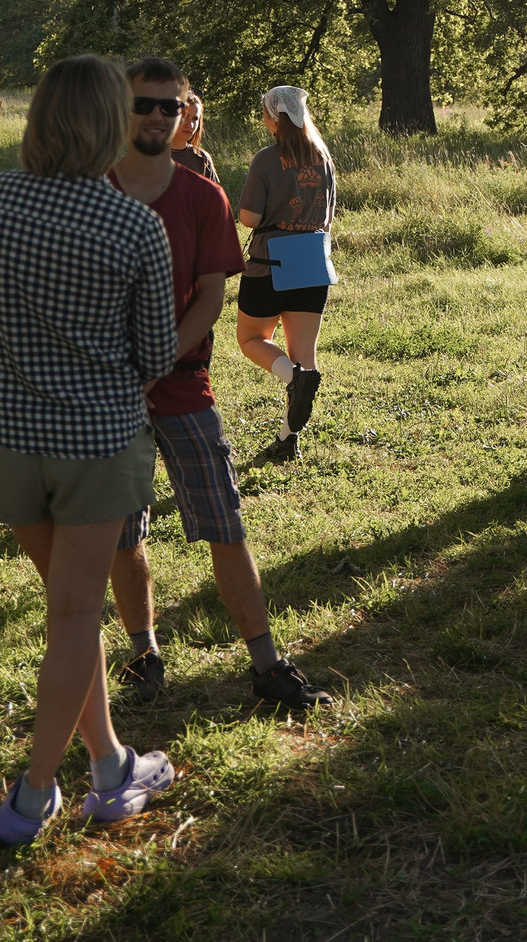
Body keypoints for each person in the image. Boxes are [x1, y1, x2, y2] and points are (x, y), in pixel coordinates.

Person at [0, 55, 178, 842]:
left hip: (9, 437)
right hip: (95, 445)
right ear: (111, 125)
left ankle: (114, 762)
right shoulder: (133, 225)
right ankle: (36, 793)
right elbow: (157, 353)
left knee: (70, 614)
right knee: (75, 615)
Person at [105, 58, 330, 715]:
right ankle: (145, 654)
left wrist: (158, 358)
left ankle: (266, 663)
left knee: (224, 522)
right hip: (112, 395)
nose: (154, 116)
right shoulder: (93, 190)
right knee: (123, 531)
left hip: (182, 385)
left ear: (183, 116)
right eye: (142, 104)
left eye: (166, 107)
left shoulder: (203, 197)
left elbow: (209, 297)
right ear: (124, 111)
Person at [235, 85, 336, 462]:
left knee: (250, 340)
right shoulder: (323, 156)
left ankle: (293, 379)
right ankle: (287, 440)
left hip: (268, 263)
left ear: (273, 119)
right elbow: (328, 214)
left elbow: (250, 218)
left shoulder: (266, 159)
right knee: (304, 355)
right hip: (312, 261)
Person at [172, 89, 219, 185]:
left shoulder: (202, 160)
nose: (190, 125)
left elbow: (214, 197)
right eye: (185, 117)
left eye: (195, 119)